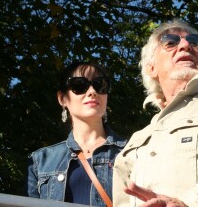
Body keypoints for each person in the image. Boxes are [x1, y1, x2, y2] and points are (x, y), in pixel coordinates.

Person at [113, 19, 198, 206]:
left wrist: (190, 203)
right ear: (151, 68)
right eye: (171, 42)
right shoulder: (136, 141)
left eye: (194, 42)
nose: (186, 45)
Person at [27, 61, 127, 206]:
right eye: (79, 85)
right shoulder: (39, 162)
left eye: (100, 85)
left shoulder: (132, 152)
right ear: (62, 99)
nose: (92, 91)